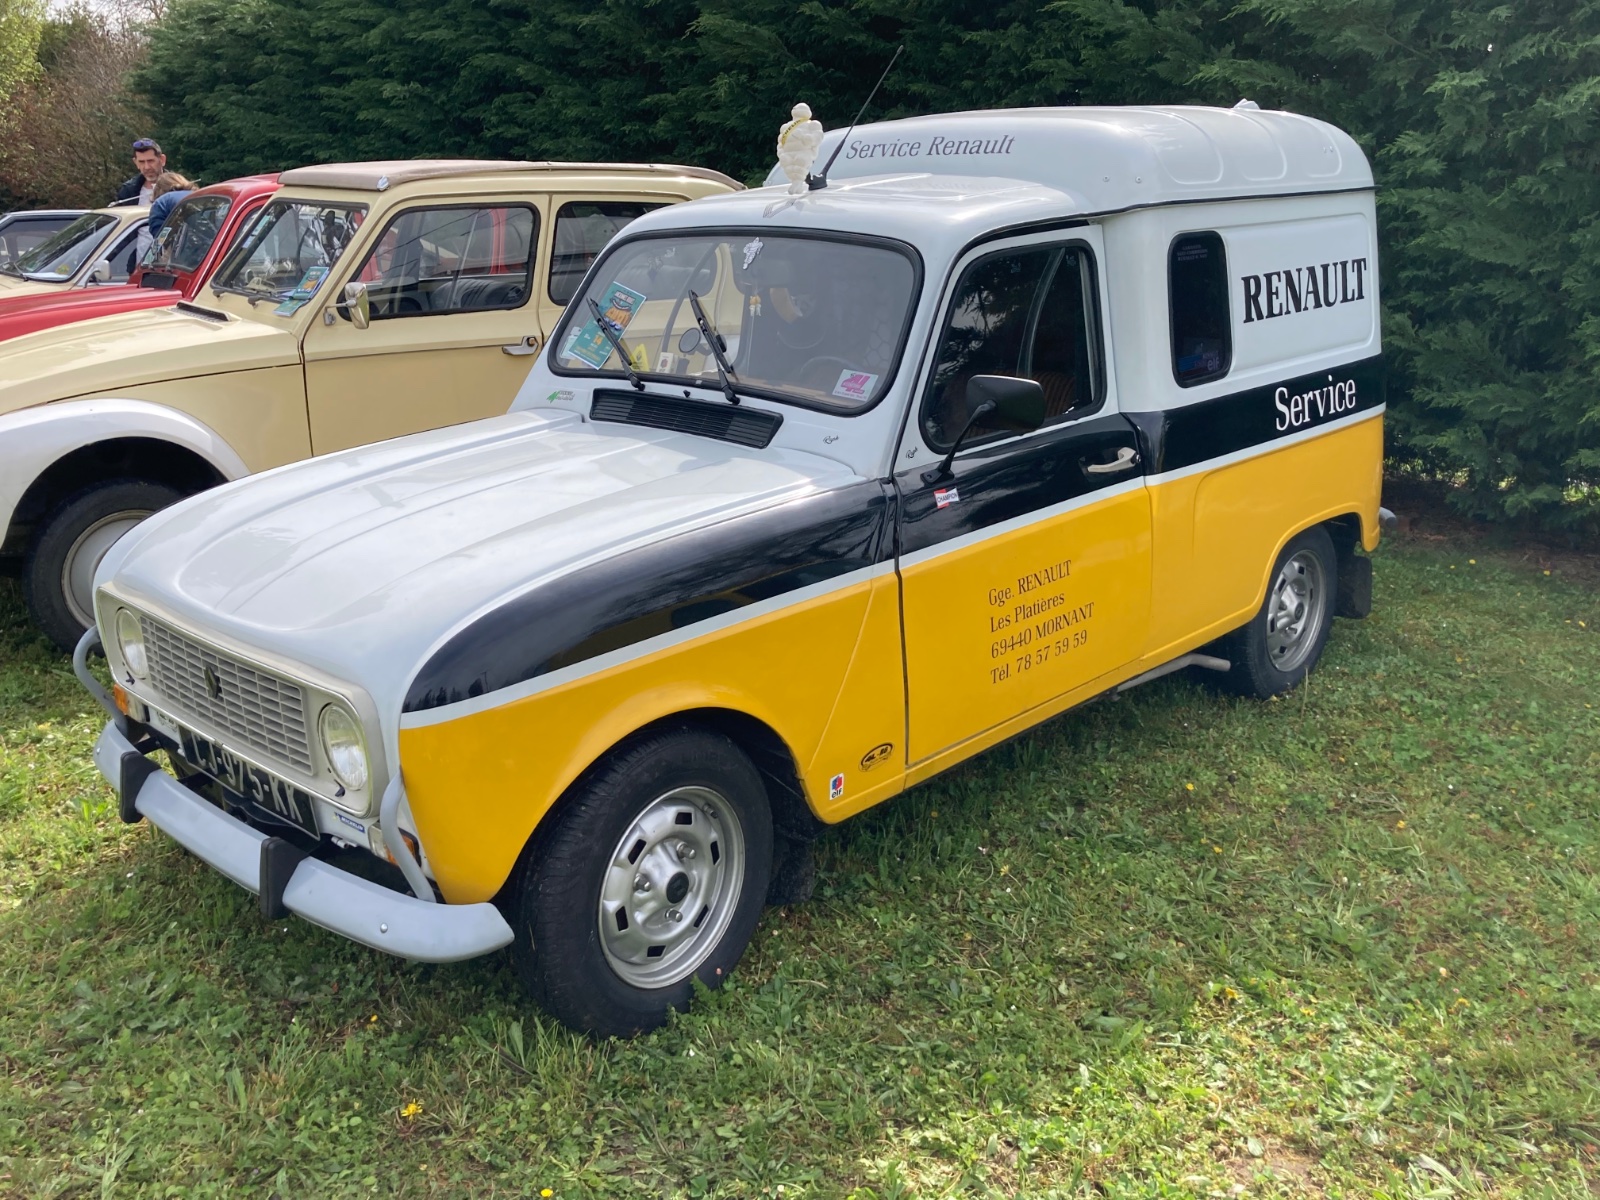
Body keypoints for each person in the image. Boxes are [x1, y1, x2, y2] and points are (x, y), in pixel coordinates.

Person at [138, 171, 194, 262]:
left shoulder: (162, 202)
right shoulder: (201, 196)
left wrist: (149, 261)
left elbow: (160, 241)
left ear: (158, 191)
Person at [113, 138, 166, 206]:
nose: (147, 167)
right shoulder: (128, 191)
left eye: (150, 161)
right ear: (136, 163)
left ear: (162, 160)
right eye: (141, 162)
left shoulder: (175, 187)